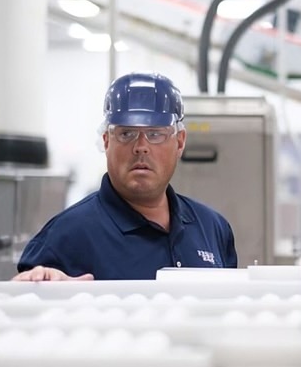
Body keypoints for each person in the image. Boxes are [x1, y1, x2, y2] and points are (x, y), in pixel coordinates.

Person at [14, 72, 238, 281]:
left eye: (155, 134)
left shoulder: (212, 228)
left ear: (179, 142)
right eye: (126, 133)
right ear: (106, 141)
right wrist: (43, 288)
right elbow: (21, 301)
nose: (141, 147)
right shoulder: (65, 237)